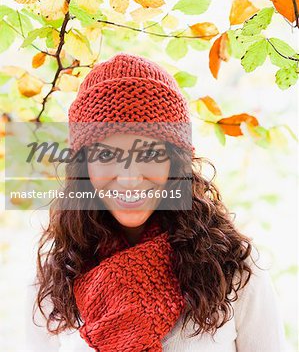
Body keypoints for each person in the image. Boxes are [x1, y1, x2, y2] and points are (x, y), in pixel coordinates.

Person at [25, 52, 287, 351]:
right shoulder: (55, 277)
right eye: (107, 155)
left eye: (149, 154)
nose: (129, 177)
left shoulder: (232, 267)